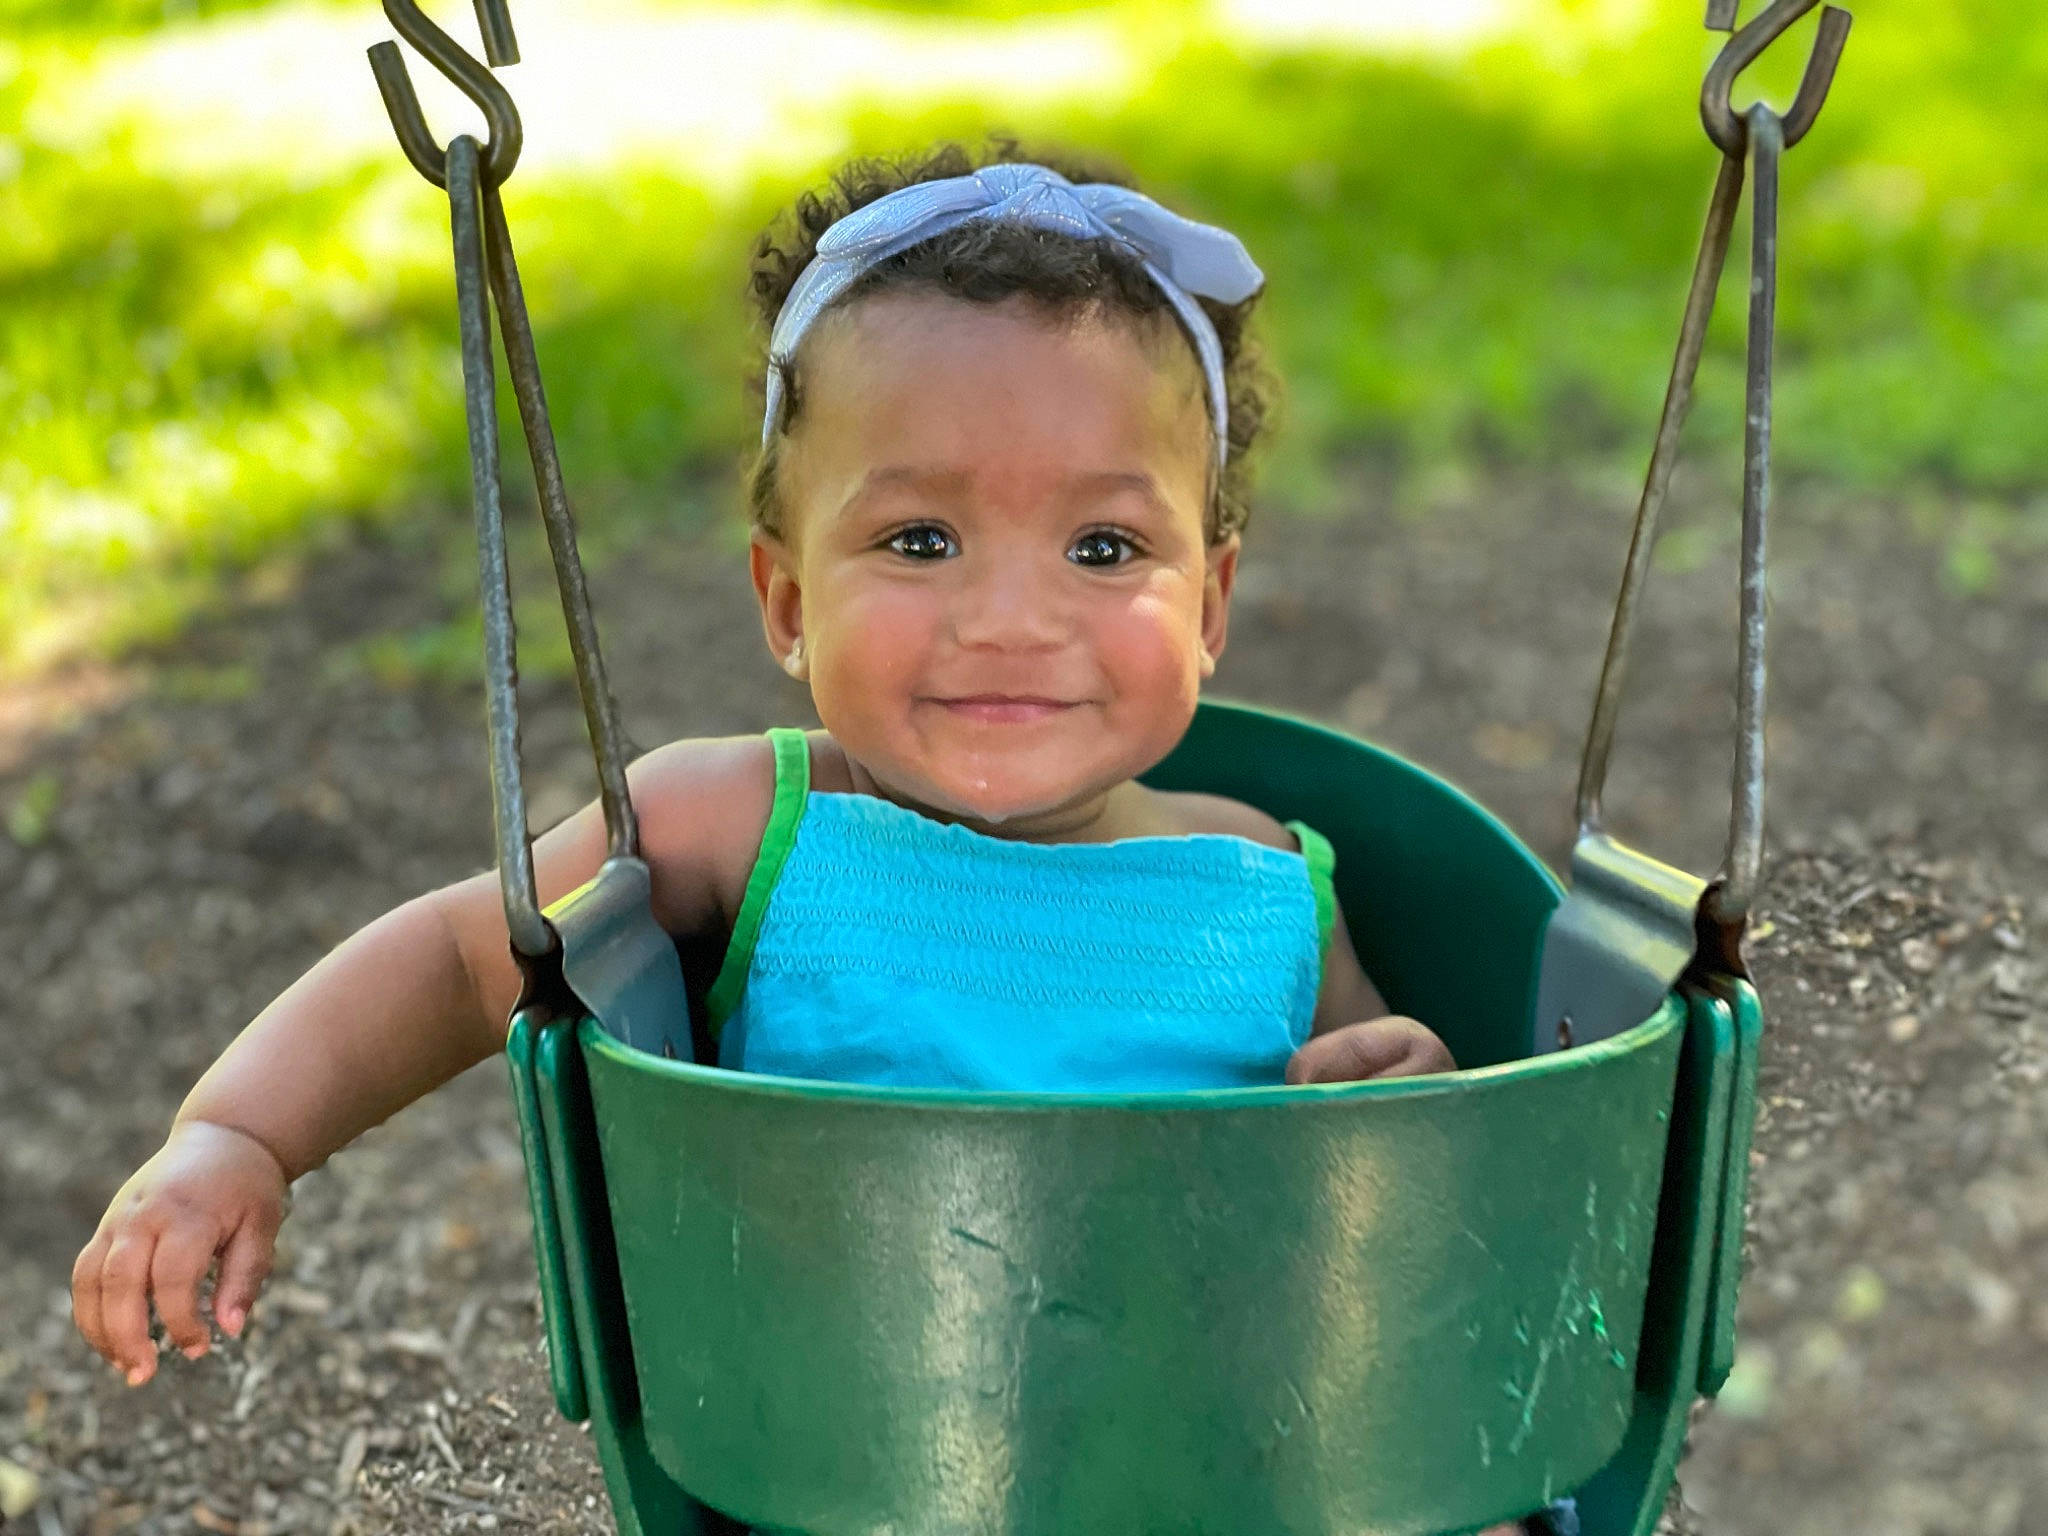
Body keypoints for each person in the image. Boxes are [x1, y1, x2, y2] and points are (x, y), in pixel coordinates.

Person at [71, 142, 1561, 1536]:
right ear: (787, 601)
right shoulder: (751, 819)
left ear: (1212, 604)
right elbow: (471, 953)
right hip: (852, 1465)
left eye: (1105, 549)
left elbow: (1394, 1168)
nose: (1009, 619)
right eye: (919, 541)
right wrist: (239, 1135)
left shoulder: (1263, 876)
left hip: (1213, 1473)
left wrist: (1390, 1083)